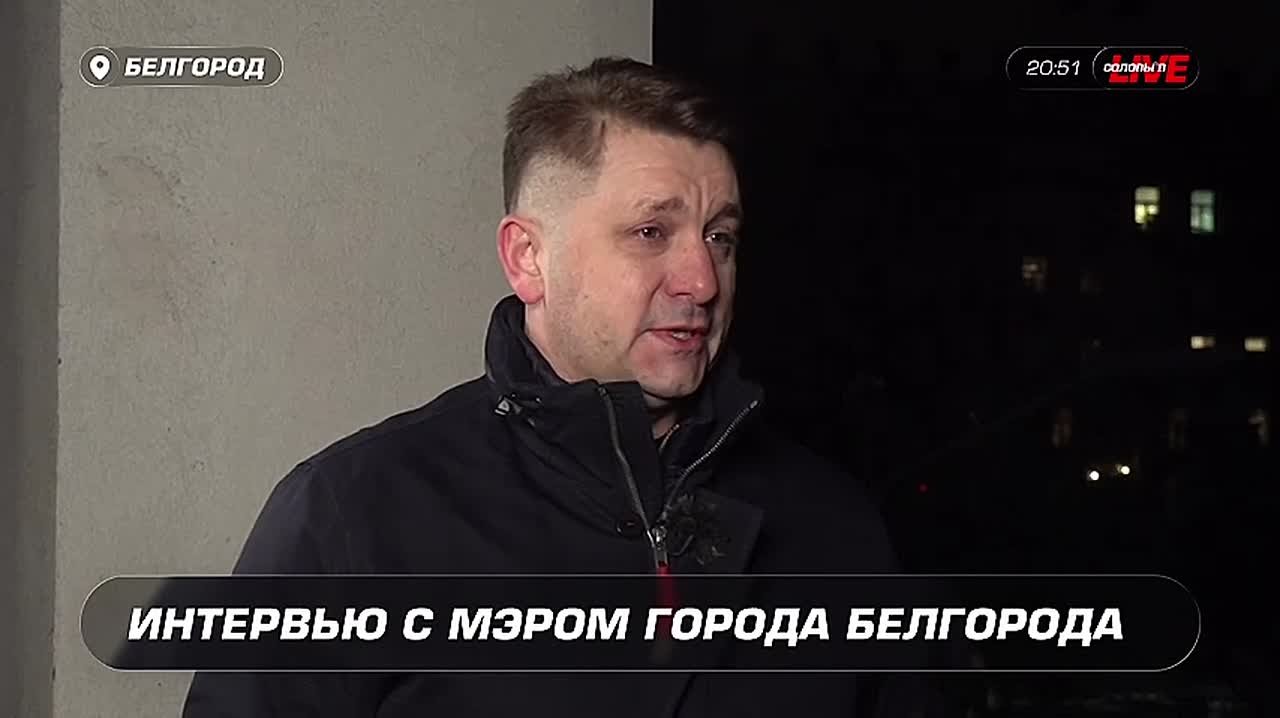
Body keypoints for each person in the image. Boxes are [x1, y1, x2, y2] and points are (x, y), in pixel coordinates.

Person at [182, 56, 946, 717]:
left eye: (720, 236)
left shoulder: (834, 529)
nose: (703, 280)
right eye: (651, 232)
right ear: (527, 259)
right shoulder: (353, 519)